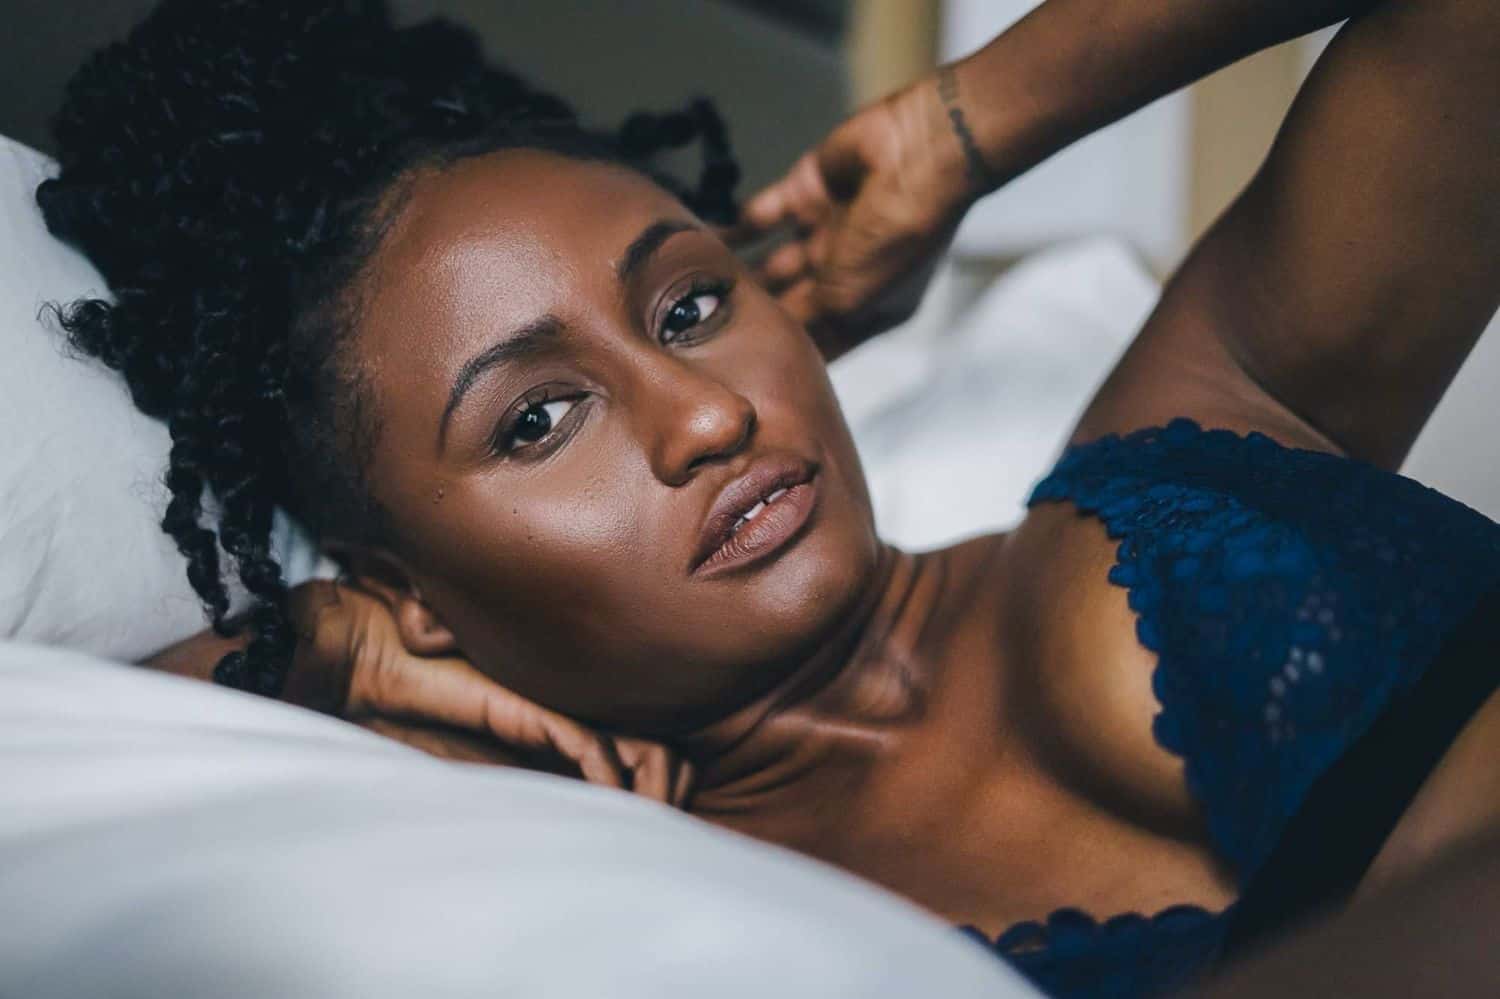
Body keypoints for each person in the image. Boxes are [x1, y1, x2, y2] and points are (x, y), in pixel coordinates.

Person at [38, 0, 1499, 994]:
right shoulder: (642, 917)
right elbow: (59, 793)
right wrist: (318, 651)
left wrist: (959, 130)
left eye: (685, 307)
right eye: (539, 418)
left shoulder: (1215, 408)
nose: (707, 413)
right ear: (408, 584)